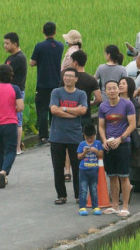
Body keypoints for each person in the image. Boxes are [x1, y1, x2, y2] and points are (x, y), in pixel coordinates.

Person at [49, 68, 88, 205]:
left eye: (71, 76)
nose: (67, 78)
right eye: (65, 76)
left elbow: (83, 110)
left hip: (75, 137)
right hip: (57, 136)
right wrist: (73, 113)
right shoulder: (56, 92)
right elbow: (54, 110)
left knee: (78, 168)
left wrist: (64, 109)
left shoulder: (81, 94)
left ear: (76, 79)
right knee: (58, 168)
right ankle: (61, 195)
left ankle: (79, 195)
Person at [98, 80, 135, 218]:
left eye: (114, 88)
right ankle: (114, 205)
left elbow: (132, 125)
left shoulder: (127, 104)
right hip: (109, 144)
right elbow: (101, 126)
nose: (112, 91)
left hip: (123, 144)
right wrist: (104, 140)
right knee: (112, 176)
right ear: (105, 91)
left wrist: (121, 139)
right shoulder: (103, 106)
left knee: (124, 176)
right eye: (109, 89)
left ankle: (125, 207)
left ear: (118, 90)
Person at [31, 21, 63, 144]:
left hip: (43, 83)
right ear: (55, 32)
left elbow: (32, 63)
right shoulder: (60, 46)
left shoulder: (39, 46)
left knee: (42, 109)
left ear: (43, 31)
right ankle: (55, 133)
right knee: (54, 108)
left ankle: (43, 136)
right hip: (56, 82)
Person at [2, 32, 27, 155]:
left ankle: (17, 148)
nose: (5, 46)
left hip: (16, 93)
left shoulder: (19, 58)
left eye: (7, 43)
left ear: (15, 44)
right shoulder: (11, 57)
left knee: (17, 120)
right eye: (4, 43)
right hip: (8, 92)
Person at [76, 123, 103, 216]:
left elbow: (101, 155)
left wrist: (96, 151)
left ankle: (95, 206)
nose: (90, 140)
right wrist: (84, 153)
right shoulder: (82, 144)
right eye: (87, 138)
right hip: (83, 170)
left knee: (94, 189)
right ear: (84, 136)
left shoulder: (98, 143)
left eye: (91, 138)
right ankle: (82, 207)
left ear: (95, 135)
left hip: (94, 170)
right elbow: (78, 157)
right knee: (83, 189)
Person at [70, 50, 102, 126]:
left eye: (71, 62)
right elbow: (99, 98)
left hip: (70, 115)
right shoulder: (91, 79)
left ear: (75, 63)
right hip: (86, 115)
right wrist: (91, 103)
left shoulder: (68, 78)